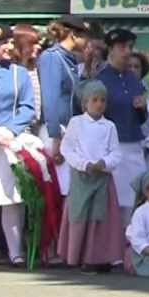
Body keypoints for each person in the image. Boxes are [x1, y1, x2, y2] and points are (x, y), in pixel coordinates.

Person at [0, 25, 37, 266]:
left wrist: (10, 130)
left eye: (10, 43)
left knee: (12, 197)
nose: (8, 47)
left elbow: (28, 107)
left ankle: (15, 251)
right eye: (3, 44)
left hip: (9, 140)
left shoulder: (19, 73)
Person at [57, 81, 125, 273]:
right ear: (85, 103)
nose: (99, 104)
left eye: (102, 100)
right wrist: (83, 164)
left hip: (102, 179)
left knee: (99, 216)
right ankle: (74, 255)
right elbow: (67, 148)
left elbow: (116, 153)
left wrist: (104, 163)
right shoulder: (76, 123)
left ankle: (96, 257)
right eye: (94, 100)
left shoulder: (109, 126)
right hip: (81, 177)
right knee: (79, 215)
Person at [94, 29, 149, 216]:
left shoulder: (133, 78)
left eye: (130, 47)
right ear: (111, 49)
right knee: (114, 202)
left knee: (136, 200)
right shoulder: (101, 79)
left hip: (134, 144)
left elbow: (142, 119)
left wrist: (142, 108)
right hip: (111, 146)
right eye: (122, 47)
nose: (127, 52)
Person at [38, 16, 91, 195]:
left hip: (69, 130)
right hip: (56, 131)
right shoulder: (52, 57)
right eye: (85, 35)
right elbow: (50, 99)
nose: (88, 41)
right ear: (74, 35)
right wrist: (56, 137)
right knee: (61, 191)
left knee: (70, 191)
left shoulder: (70, 59)